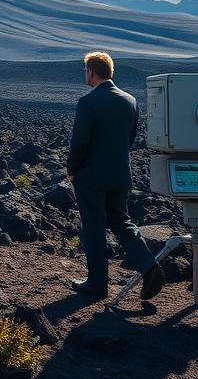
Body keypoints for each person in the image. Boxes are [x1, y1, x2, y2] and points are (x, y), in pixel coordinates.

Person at [68, 51, 165, 299]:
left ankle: (97, 283)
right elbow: (130, 139)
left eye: (85, 71)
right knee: (121, 220)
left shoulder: (87, 102)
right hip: (121, 173)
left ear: (91, 71)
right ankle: (149, 266)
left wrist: (72, 168)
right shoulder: (130, 101)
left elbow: (80, 141)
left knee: (94, 227)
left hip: (91, 176)